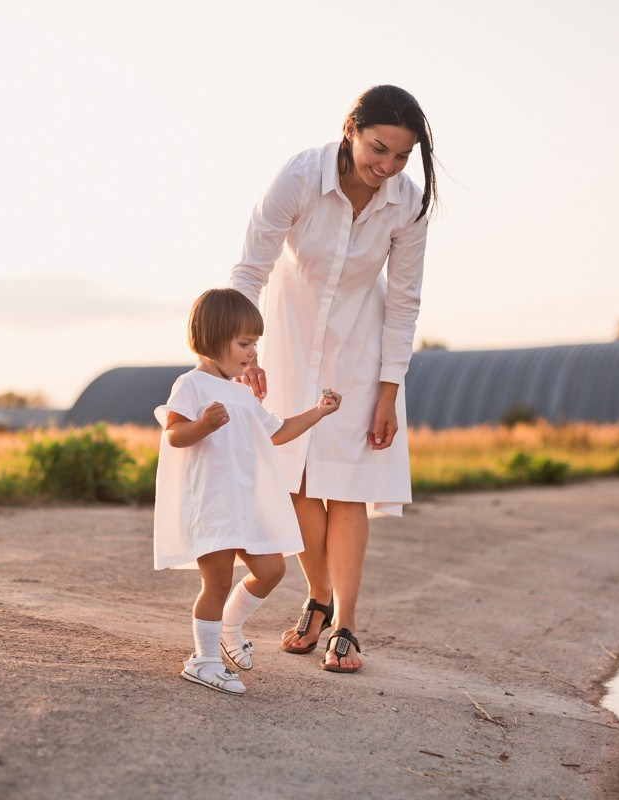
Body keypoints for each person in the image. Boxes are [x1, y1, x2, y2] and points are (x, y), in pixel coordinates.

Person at [230, 85, 438, 673]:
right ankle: (317, 596)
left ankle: (345, 624)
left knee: (347, 485)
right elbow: (251, 267)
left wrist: (389, 393)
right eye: (379, 149)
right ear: (350, 130)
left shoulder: (407, 203)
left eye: (402, 156)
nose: (389, 167)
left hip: (360, 345)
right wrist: (245, 353)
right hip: (289, 332)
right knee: (294, 478)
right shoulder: (300, 176)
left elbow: (403, 302)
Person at [154, 289, 342, 695]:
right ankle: (203, 661)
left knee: (272, 569)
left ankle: (229, 625)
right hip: (213, 504)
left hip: (245, 503)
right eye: (244, 343)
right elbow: (173, 435)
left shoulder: (241, 391)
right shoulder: (191, 385)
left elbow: (277, 432)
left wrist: (319, 411)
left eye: (255, 343)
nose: (253, 352)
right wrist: (202, 425)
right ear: (211, 338)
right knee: (217, 582)